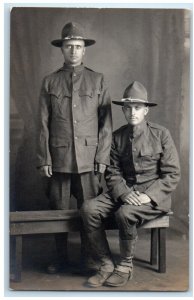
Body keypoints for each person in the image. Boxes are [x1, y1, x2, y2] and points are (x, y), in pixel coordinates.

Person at [80, 81, 181, 287]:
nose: (132, 112)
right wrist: (124, 193)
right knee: (88, 208)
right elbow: (113, 171)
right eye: (128, 108)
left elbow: (172, 174)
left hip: (153, 197)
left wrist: (148, 196)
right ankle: (105, 264)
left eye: (137, 108)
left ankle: (125, 266)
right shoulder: (117, 137)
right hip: (125, 192)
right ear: (124, 110)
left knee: (124, 213)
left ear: (146, 111)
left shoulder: (161, 134)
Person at [37, 22, 112, 274]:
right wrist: (44, 158)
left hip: (89, 159)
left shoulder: (98, 80)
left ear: (84, 50)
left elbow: (106, 125)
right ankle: (60, 259)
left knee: (89, 213)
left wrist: (102, 157)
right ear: (62, 49)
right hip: (59, 158)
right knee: (58, 213)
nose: (73, 51)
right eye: (69, 46)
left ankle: (88, 259)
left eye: (78, 47)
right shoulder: (50, 82)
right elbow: (42, 124)